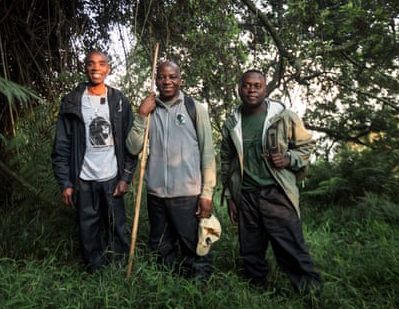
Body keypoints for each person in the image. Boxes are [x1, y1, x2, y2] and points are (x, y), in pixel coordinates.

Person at [220, 69, 322, 294]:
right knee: (250, 250)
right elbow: (226, 162)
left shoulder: (283, 116)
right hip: (246, 196)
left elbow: (306, 146)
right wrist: (230, 198)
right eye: (247, 85)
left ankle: (311, 294)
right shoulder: (232, 122)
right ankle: (258, 293)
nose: (251, 90)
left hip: (276, 193)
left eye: (257, 86)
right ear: (239, 88)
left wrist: (288, 159)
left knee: (291, 248)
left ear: (265, 89)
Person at [126, 60, 217, 279]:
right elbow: (132, 147)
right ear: (156, 80)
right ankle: (167, 285)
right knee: (160, 246)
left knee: (194, 246)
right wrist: (140, 115)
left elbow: (207, 153)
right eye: (162, 77)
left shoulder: (194, 108)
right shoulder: (150, 109)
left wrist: (207, 194)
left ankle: (199, 290)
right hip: (156, 193)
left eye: (172, 77)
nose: (167, 81)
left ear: (181, 80)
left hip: (187, 194)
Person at [51, 50, 138, 273]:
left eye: (101, 64)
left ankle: (119, 270)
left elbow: (130, 144)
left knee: (116, 227)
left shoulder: (118, 101)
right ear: (85, 68)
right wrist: (66, 183)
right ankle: (95, 271)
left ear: (108, 69)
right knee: (87, 228)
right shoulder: (72, 101)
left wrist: (126, 177)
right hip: (83, 179)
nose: (95, 68)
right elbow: (62, 145)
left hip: (112, 177)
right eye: (91, 64)